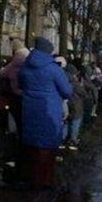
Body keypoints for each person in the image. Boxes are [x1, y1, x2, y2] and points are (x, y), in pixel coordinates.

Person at [18, 37, 71, 188]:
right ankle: (46, 181)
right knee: (48, 149)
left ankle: (34, 180)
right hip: (50, 111)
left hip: (29, 110)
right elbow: (67, 91)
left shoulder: (25, 66)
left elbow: (21, 85)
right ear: (49, 51)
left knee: (33, 148)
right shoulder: (54, 68)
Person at [63, 65, 92, 150]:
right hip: (76, 105)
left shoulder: (63, 80)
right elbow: (83, 93)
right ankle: (73, 140)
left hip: (66, 104)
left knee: (66, 123)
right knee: (75, 123)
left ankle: (63, 140)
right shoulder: (75, 83)